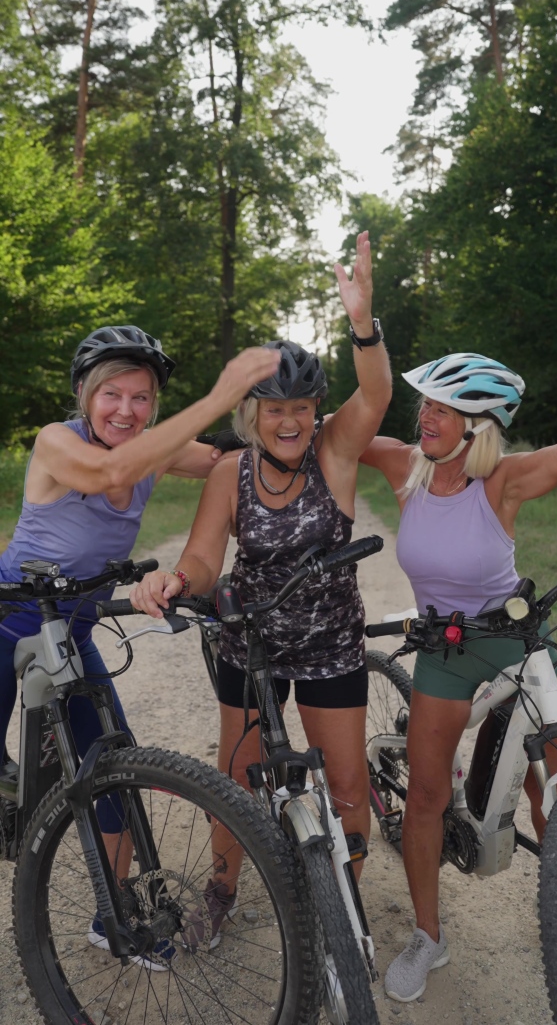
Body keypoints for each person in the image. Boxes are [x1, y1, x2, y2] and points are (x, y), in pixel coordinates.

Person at [129, 232, 393, 949]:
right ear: (252, 413)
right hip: (249, 639)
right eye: (274, 409)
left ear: (315, 410)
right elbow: (206, 555)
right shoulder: (230, 471)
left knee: (344, 783)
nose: (290, 421)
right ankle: (222, 887)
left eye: (302, 407)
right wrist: (180, 579)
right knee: (237, 778)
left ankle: (344, 903)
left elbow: (378, 393)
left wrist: (362, 324)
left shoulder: (335, 451)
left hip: (332, 641)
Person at [0, 324, 280, 968]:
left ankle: (112, 913)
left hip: (68, 633)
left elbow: (219, 458)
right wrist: (223, 390)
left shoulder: (150, 450)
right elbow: (111, 470)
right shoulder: (58, 443)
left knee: (110, 768)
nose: (126, 410)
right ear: (83, 395)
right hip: (9, 619)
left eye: (142, 398)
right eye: (112, 395)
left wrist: (292, 427)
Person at [359, 311, 557, 1003]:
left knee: (547, 779)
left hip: (512, 639)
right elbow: (338, 437)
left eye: (444, 407)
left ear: (479, 423)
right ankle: (428, 935)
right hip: (444, 648)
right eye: (426, 403)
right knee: (430, 795)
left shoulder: (500, 481)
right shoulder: (407, 466)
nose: (426, 415)